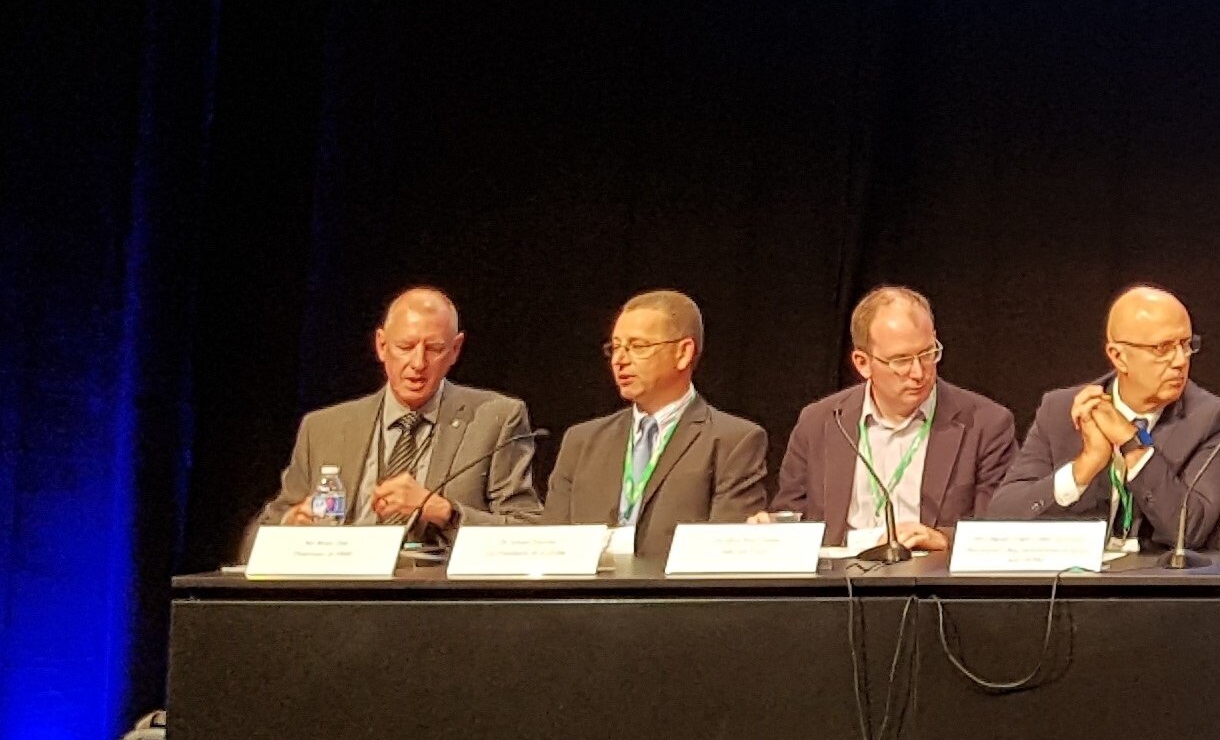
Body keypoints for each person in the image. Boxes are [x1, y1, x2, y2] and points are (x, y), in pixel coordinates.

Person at [257, 286, 536, 547]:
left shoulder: (495, 420)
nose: (418, 363)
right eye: (405, 347)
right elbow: (258, 538)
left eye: (434, 349)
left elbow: (527, 533)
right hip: (342, 576)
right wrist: (290, 525)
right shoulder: (322, 428)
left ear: (455, 350)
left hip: (435, 580)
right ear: (381, 345)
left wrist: (445, 512)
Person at [760, 285, 1017, 555]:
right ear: (863, 363)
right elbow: (791, 517)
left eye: (927, 354)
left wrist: (943, 539)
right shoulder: (819, 422)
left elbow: (1000, 532)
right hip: (839, 574)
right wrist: (768, 533)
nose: (918, 373)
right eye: (901, 360)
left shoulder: (985, 424)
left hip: (928, 575)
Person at [983, 285, 1220, 551]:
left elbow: (1192, 530)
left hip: (1155, 575)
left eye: (1185, 345)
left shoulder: (1210, 418)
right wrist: (1085, 465)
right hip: (1075, 574)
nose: (1180, 361)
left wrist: (1133, 445)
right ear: (1118, 356)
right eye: (1163, 348)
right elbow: (1001, 518)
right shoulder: (1061, 410)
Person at [542, 290, 770, 561]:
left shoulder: (734, 441)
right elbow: (553, 547)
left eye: (638, 346)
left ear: (683, 353)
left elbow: (721, 557)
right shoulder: (581, 441)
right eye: (615, 347)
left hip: (674, 588)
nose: (619, 360)